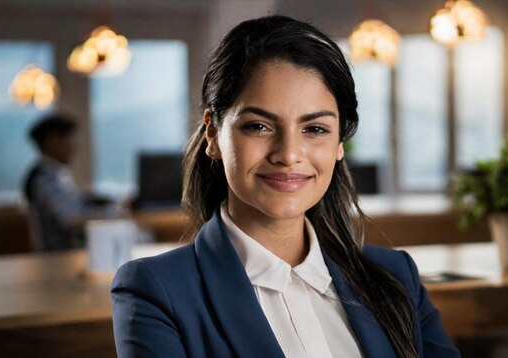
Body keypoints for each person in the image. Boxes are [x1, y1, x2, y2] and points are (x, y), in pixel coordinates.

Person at [111, 15, 459, 358]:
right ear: (213, 134)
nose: (289, 154)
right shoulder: (156, 290)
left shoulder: (396, 276)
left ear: (340, 144)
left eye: (315, 129)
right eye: (259, 126)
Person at [24, 113, 121, 251]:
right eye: (70, 140)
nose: (75, 147)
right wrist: (112, 213)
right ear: (53, 141)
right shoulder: (45, 178)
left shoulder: (53, 174)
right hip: (60, 256)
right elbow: (72, 218)